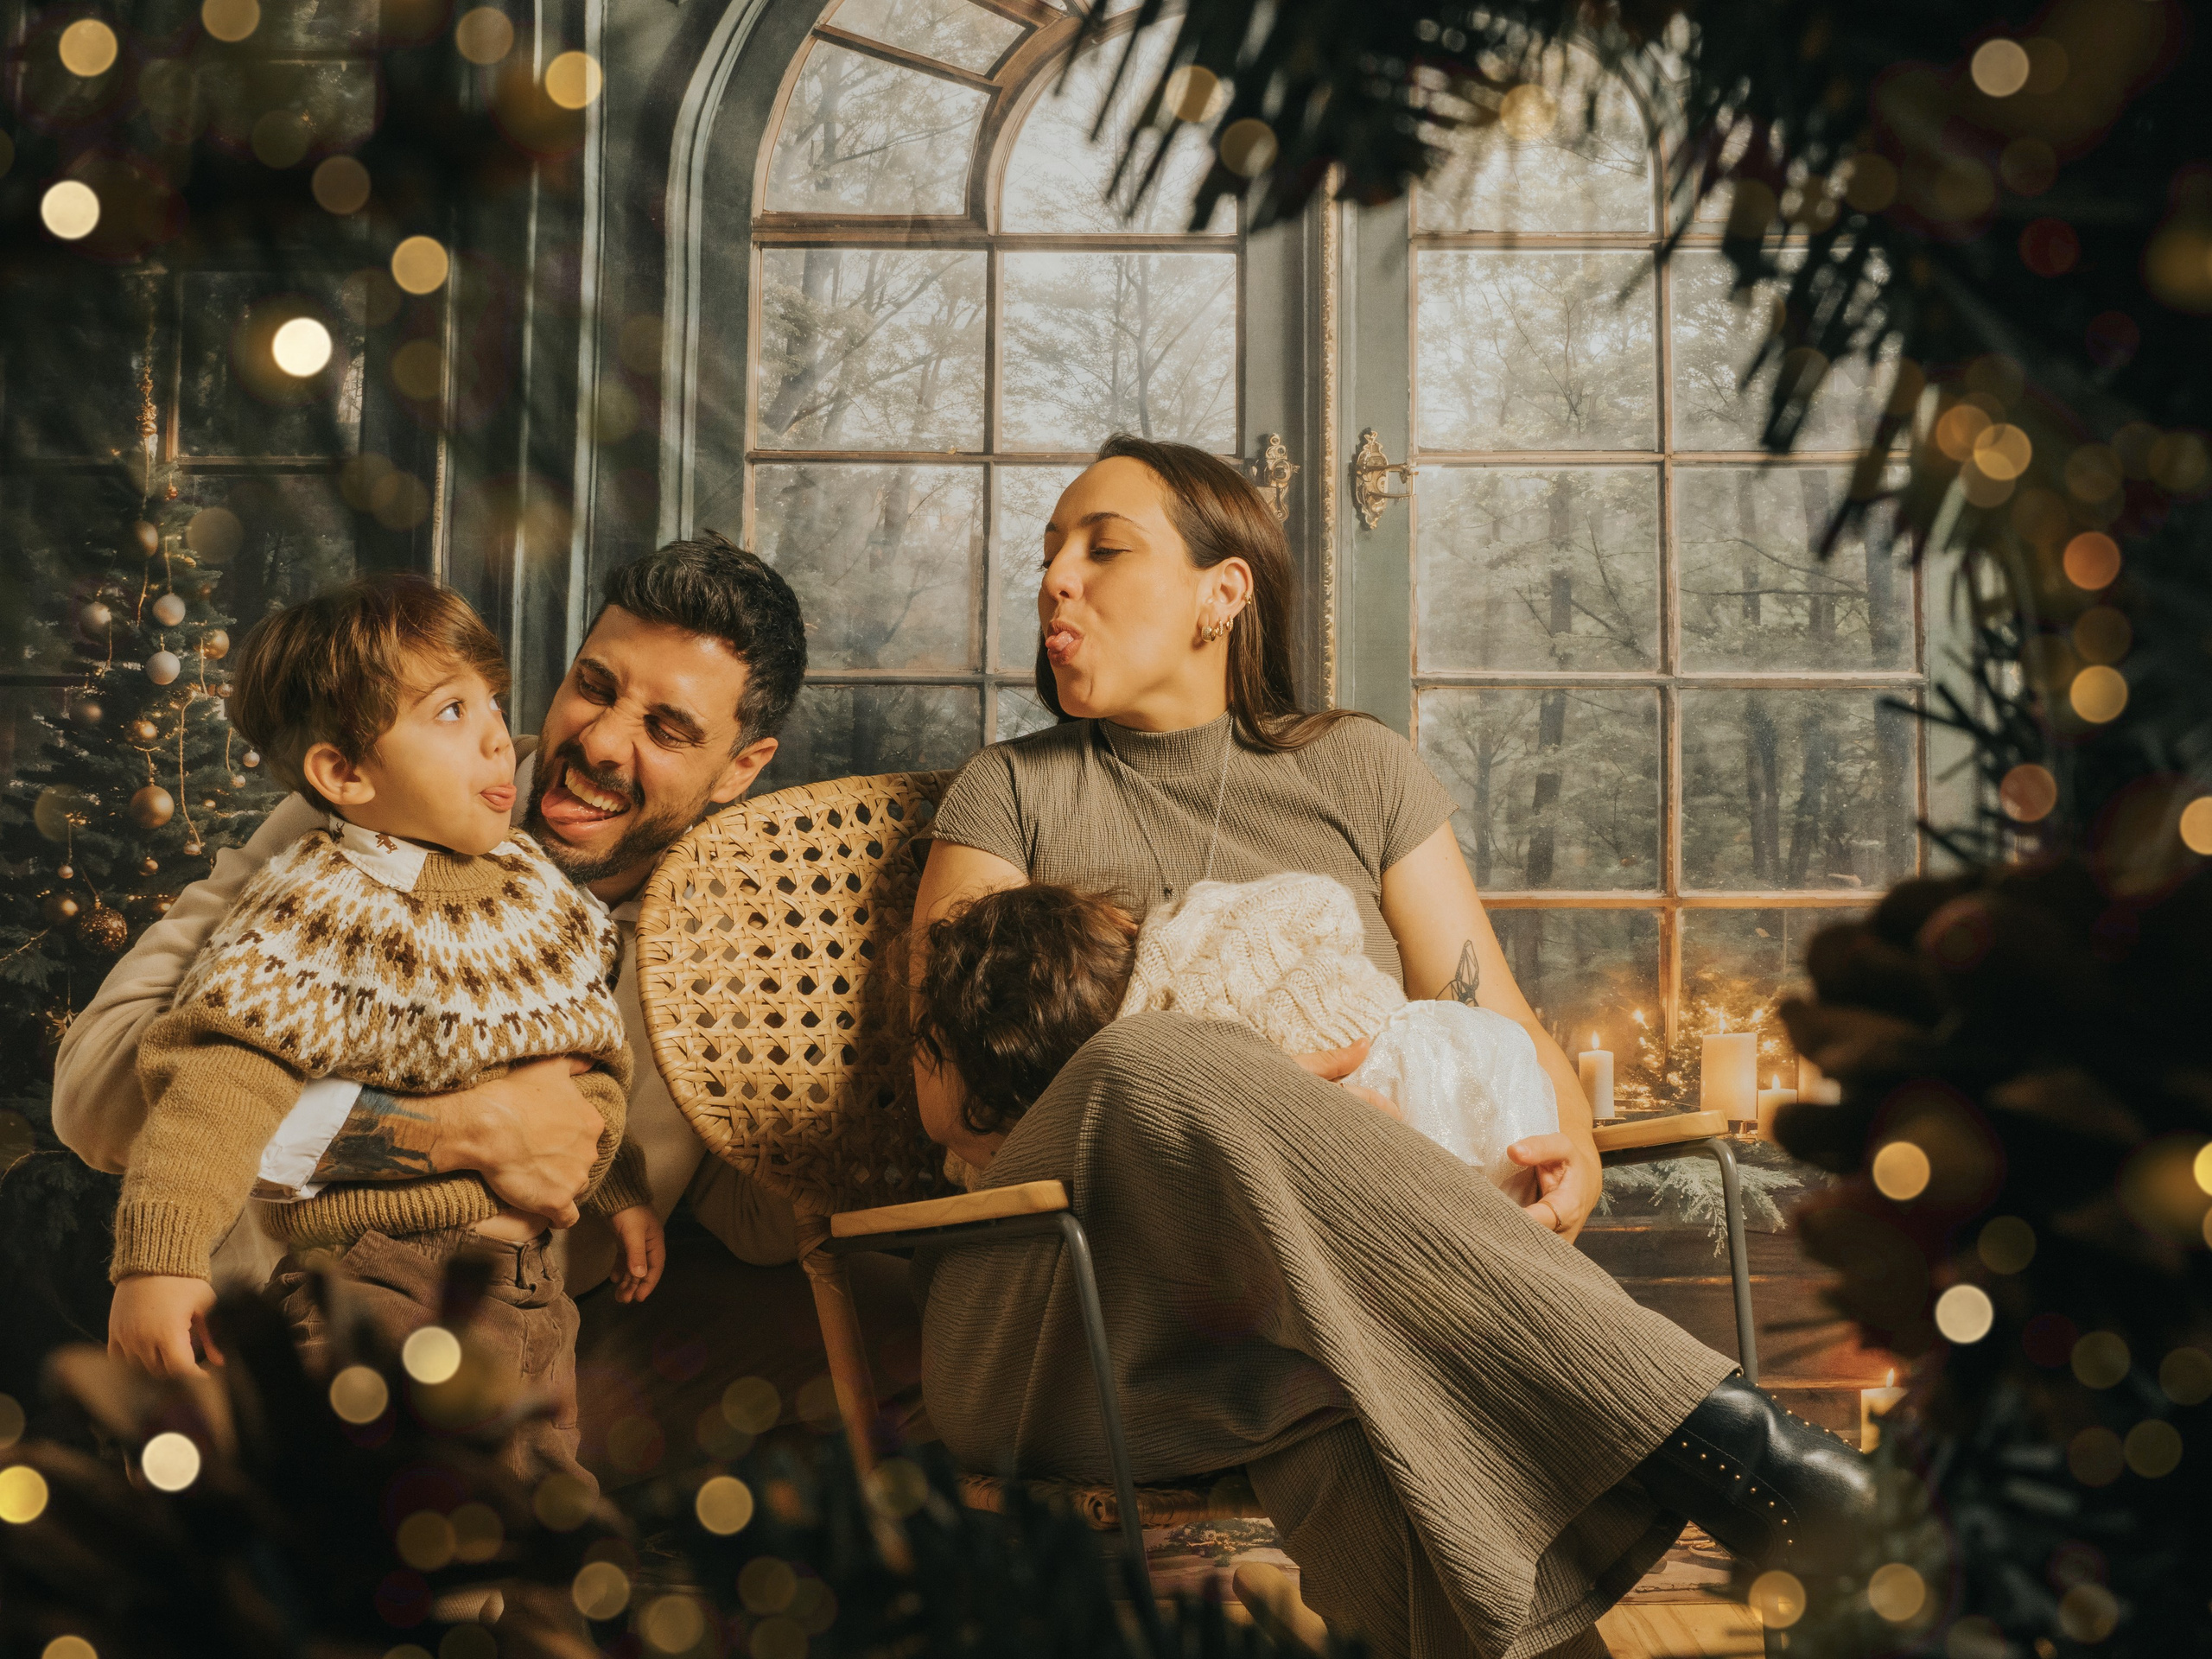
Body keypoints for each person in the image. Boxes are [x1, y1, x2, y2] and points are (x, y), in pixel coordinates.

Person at [907, 435, 1872, 1658]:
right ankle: (1732, 1447)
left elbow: (1495, 1014)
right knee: (1160, 1062)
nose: (1055, 579)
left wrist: (1570, 1146)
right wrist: (1257, 1096)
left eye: (1105, 550)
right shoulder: (1008, 792)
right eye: (1051, 553)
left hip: (1297, 1347)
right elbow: (951, 1108)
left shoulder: (1356, 771)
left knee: (1371, 1420)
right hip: (1064, 1325)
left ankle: (1729, 1477)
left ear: (1222, 593)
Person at [53, 535, 921, 1482]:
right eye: (594, 686)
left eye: (667, 729)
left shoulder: (730, 936)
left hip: (532, 1324)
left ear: (740, 769)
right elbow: (96, 1093)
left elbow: (755, 1218)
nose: (600, 743)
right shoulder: (383, 801)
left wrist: (887, 1050)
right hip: (314, 1320)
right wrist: (456, 1132)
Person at [105, 575, 661, 1482]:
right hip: (387, 1282)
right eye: (450, 711)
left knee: (544, 1521)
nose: (497, 735)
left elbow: (577, 1055)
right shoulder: (322, 903)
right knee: (391, 1513)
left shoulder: (534, 888)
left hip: (533, 1297)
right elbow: (216, 1088)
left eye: (492, 701)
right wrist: (158, 1264)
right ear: (346, 775)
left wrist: (620, 1189)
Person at [914, 874, 1558, 1193]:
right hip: (1468, 1067)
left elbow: (984, 1148)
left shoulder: (1101, 1103)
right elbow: (1319, 903)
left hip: (1413, 1100)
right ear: (1117, 919)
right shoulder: (1214, 925)